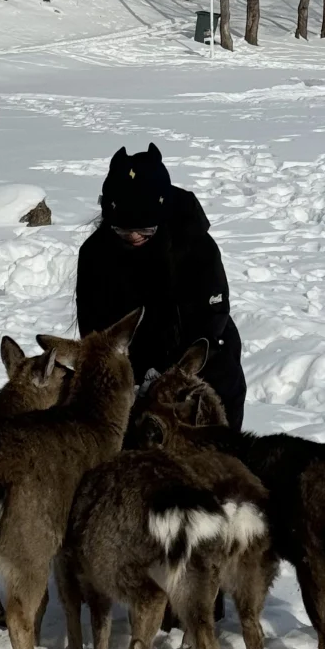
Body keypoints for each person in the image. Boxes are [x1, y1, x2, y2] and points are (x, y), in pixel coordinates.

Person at [76, 142, 246, 432]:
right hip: (130, 366)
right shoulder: (95, 254)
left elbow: (213, 315)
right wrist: (131, 376)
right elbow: (94, 329)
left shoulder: (195, 244)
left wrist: (173, 375)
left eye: (145, 231)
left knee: (222, 390)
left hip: (195, 356)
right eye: (123, 231)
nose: (134, 238)